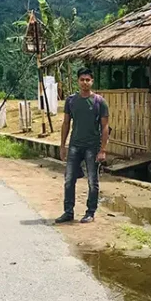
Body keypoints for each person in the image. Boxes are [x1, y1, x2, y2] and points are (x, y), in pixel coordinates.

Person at [55, 67, 109, 224]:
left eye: (88, 80)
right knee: (69, 179)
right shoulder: (71, 101)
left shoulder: (100, 102)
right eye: (82, 79)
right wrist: (62, 145)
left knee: (93, 181)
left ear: (92, 81)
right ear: (78, 81)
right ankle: (68, 212)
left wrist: (103, 150)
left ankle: (90, 212)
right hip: (74, 145)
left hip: (92, 146)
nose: (85, 82)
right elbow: (66, 123)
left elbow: (105, 127)